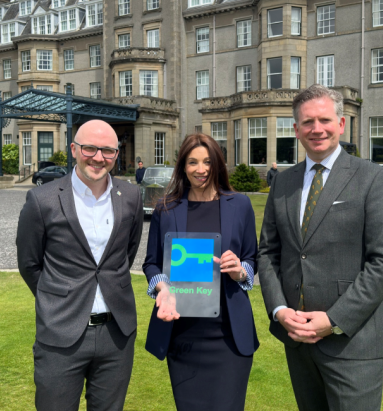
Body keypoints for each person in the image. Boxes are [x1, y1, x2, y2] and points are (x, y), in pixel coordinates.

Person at [257, 85, 383, 411]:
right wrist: (280, 311)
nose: (316, 129)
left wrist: (334, 319)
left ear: (341, 124)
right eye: (307, 122)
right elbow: (268, 253)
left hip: (352, 341)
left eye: (324, 119)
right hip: (296, 339)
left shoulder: (373, 178)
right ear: (296, 130)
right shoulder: (283, 182)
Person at [16, 119, 143, 411]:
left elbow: (126, 254)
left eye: (108, 151)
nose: (99, 158)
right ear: (74, 149)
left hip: (116, 335)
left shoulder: (131, 196)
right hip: (61, 333)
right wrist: (57, 297)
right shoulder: (42, 199)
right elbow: (29, 263)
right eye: (90, 148)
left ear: (116, 154)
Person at [143, 133, 259, 411]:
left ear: (217, 164)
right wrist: (162, 287)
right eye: (193, 162)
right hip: (183, 334)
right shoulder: (166, 208)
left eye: (207, 162)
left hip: (228, 337)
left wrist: (240, 272)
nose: (201, 169)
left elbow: (253, 259)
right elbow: (151, 263)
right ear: (183, 166)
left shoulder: (240, 205)